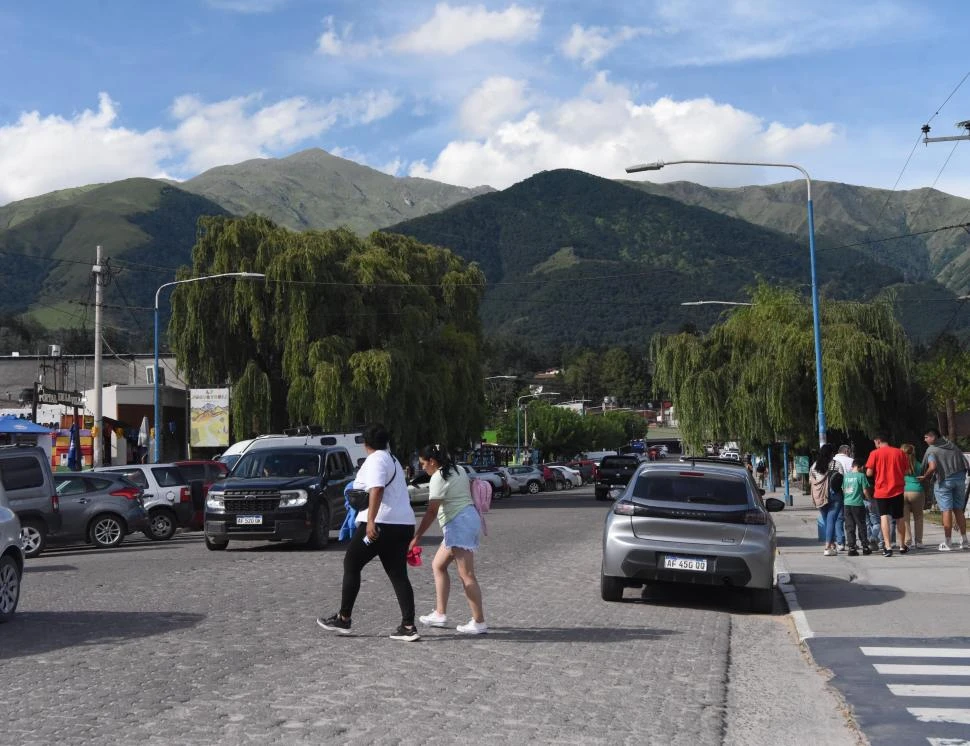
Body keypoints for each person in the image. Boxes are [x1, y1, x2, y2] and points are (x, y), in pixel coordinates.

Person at [317, 423, 420, 642]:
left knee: (352, 563)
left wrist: (371, 521)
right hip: (402, 524)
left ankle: (344, 618)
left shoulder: (375, 460)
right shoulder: (392, 459)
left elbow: (377, 489)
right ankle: (408, 625)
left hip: (381, 523)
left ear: (366, 443)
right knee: (398, 574)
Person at [409, 445, 488, 635]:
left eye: (423, 464)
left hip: (458, 524)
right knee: (438, 565)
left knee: (466, 574)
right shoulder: (458, 469)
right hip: (464, 521)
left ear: (432, 462)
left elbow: (431, 511)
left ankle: (479, 622)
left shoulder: (438, 477)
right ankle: (440, 613)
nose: (423, 468)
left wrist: (417, 537)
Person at [919, 428, 969, 551]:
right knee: (958, 510)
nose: (924, 439)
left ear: (933, 436)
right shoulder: (951, 446)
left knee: (946, 509)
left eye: (926, 437)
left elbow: (933, 466)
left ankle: (948, 542)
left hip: (944, 481)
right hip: (960, 480)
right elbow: (964, 461)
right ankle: (965, 540)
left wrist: (925, 476)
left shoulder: (932, 450)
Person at [865, 432, 909, 557]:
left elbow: (869, 473)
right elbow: (905, 470)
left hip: (881, 490)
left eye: (875, 443)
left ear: (878, 441)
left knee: (884, 516)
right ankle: (902, 546)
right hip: (897, 489)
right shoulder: (900, 453)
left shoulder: (874, 454)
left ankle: (888, 547)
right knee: (899, 517)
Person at [810, 443, 845, 556]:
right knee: (831, 520)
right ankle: (827, 547)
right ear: (831, 454)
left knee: (827, 521)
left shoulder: (814, 466)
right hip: (835, 495)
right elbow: (841, 479)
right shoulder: (836, 464)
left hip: (820, 496)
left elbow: (812, 480)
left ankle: (832, 544)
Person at [842, 459, 872, 556]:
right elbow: (865, 491)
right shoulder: (861, 476)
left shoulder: (846, 476)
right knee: (861, 525)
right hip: (858, 504)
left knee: (849, 526)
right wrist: (869, 499)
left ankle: (851, 547)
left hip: (847, 504)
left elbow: (843, 489)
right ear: (860, 467)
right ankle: (865, 547)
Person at [900, 443, 925, 550]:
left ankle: (907, 541)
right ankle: (918, 542)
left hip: (902, 490)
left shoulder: (899, 464)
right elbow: (923, 476)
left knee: (905, 518)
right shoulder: (918, 464)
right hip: (917, 491)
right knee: (918, 518)